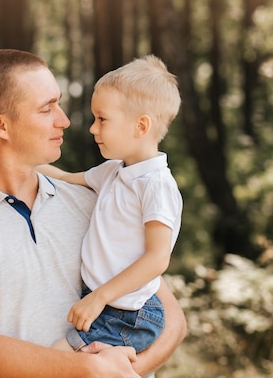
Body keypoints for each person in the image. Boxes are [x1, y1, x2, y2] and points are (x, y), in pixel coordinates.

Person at [0, 49, 186, 378]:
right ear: (0, 125)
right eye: (46, 108)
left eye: (59, 103)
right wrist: (89, 370)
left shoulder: (93, 200)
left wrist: (120, 372)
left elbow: (172, 318)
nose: (64, 120)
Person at [37, 55, 182, 355]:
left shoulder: (157, 186)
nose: (92, 128)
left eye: (102, 119)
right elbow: (65, 178)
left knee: (55, 362)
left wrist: (99, 297)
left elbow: (157, 259)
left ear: (141, 126)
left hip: (127, 314)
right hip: (106, 304)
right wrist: (14, 165)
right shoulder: (113, 171)